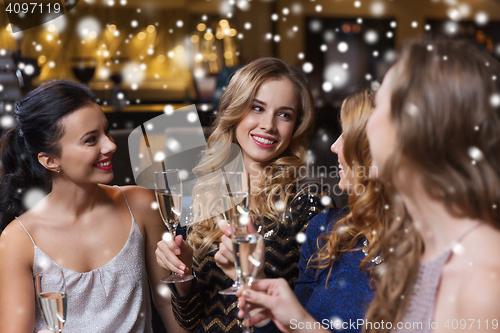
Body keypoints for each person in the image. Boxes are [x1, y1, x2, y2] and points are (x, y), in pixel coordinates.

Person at [155, 57, 332, 332]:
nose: (268, 125)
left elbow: (310, 320)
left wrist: (254, 278)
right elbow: (188, 320)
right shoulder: (198, 190)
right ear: (235, 110)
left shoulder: (310, 201)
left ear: (296, 125)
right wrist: (184, 275)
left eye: (284, 114)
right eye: (257, 108)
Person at [0, 80, 186, 333]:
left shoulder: (140, 205)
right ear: (50, 160)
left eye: (106, 132)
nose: (110, 146)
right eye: (90, 140)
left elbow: (167, 305)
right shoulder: (17, 240)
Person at [363, 39, 500, 332]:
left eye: (377, 106)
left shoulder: (486, 286)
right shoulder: (420, 252)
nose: (367, 126)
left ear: (416, 126)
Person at [234, 86, 389, 332]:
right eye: (257, 107)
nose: (334, 147)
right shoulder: (326, 229)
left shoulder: (422, 250)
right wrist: (256, 286)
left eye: (347, 135)